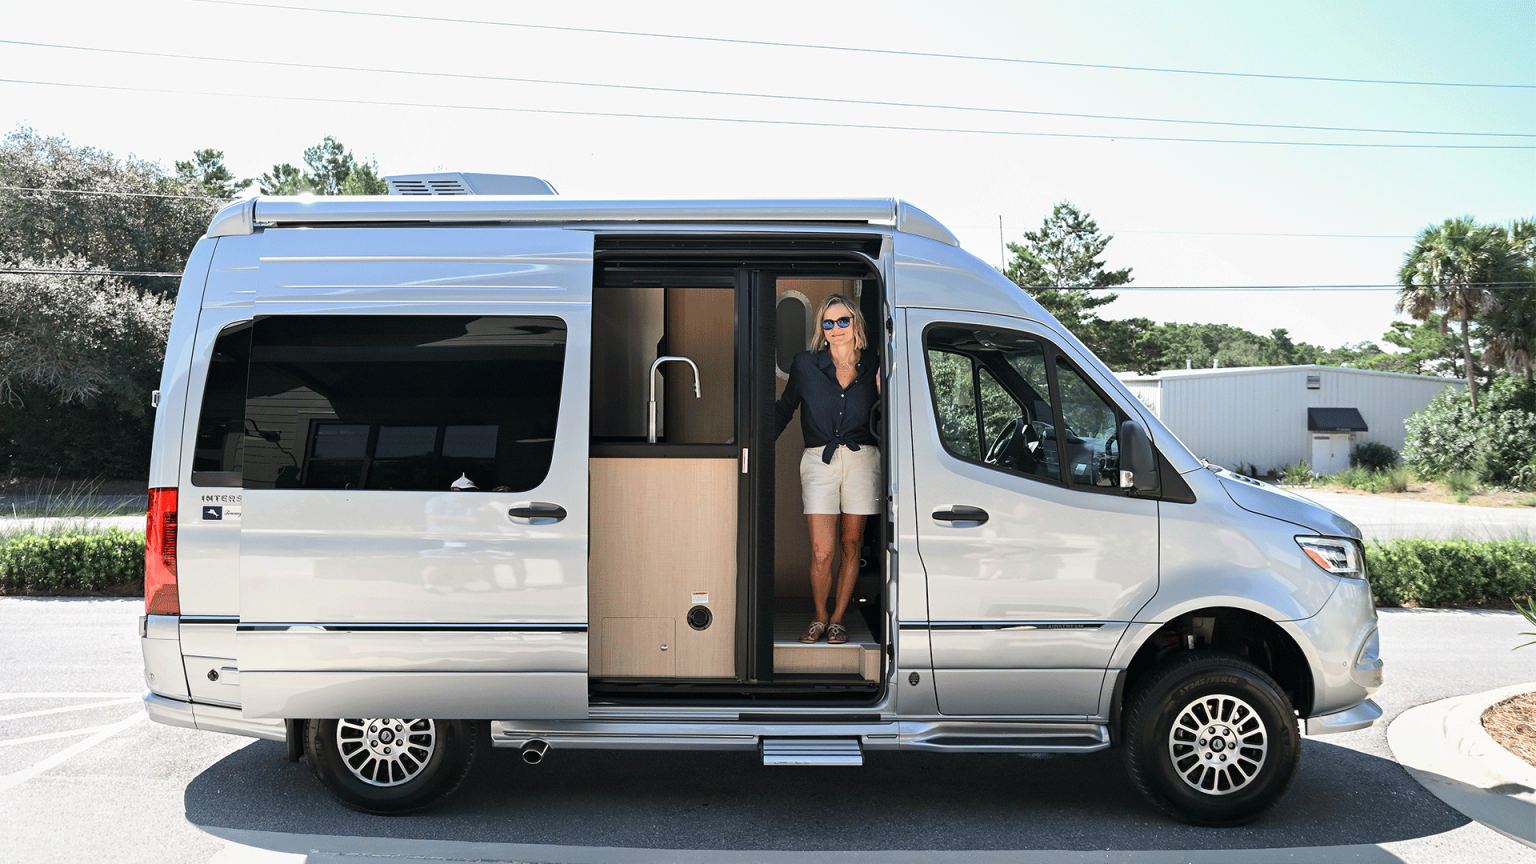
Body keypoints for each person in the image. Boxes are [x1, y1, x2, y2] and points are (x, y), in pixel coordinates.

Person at [774, 294, 881, 645]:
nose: (836, 329)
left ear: (855, 324)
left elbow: (889, 413)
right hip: (819, 462)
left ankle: (838, 619)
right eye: (828, 323)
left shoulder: (875, 365)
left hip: (863, 460)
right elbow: (785, 408)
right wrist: (751, 442)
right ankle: (819, 616)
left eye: (843, 321)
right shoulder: (805, 365)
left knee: (851, 545)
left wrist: (885, 392)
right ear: (821, 329)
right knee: (822, 551)